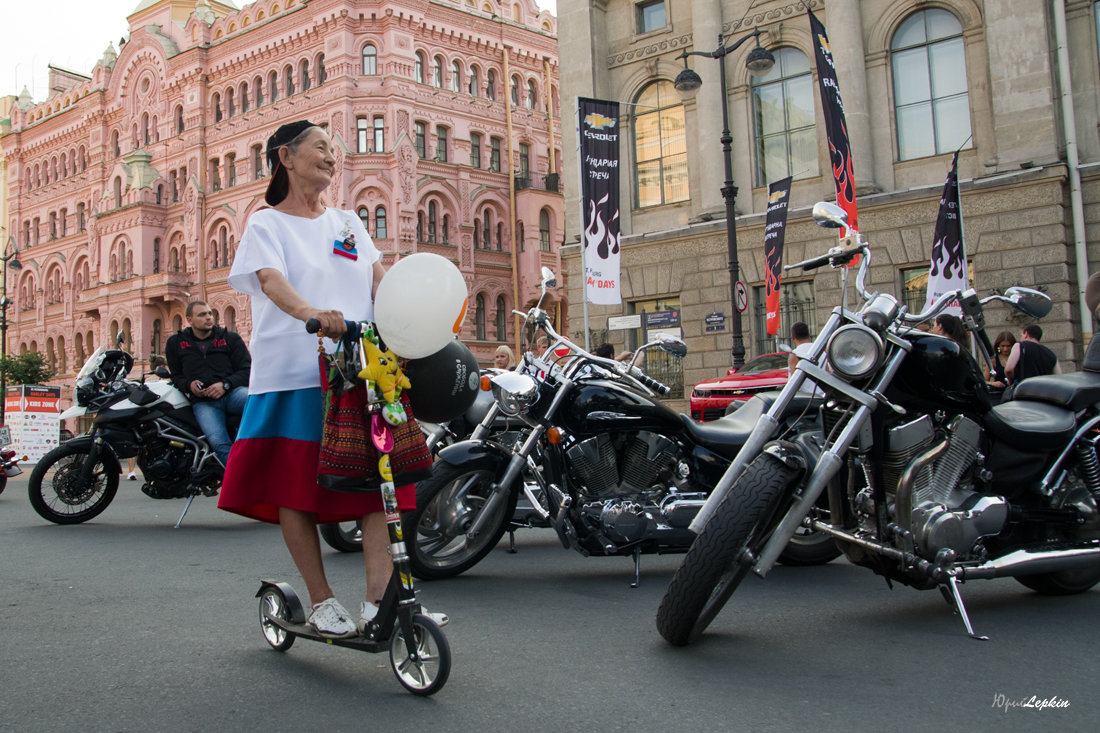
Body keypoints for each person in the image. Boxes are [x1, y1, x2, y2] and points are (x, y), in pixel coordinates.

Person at [218, 120, 444, 639]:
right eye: (319, 147)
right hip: (294, 370)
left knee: (375, 482)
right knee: (294, 489)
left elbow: (377, 278)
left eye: (332, 150)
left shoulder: (347, 222)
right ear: (285, 157)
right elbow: (271, 283)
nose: (330, 155)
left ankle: (374, 603)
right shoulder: (265, 225)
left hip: (359, 367)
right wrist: (313, 312)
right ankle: (320, 601)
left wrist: (412, 318)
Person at [165, 300, 251, 466]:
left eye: (210, 313)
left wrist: (225, 385)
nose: (208, 318)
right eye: (202, 314)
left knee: (261, 404)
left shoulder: (229, 338)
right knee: (219, 443)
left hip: (232, 393)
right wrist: (189, 385)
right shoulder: (176, 343)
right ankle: (238, 481)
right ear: (189, 320)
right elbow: (176, 376)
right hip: (204, 404)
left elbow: (247, 370)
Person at [126, 355, 170, 480]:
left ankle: (131, 471)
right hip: (159, 419)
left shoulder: (145, 380)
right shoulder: (164, 381)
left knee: (136, 445)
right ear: (162, 367)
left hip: (144, 419)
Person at [787, 322, 822, 397]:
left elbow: (794, 381)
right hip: (823, 396)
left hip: (806, 398)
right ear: (809, 334)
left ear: (793, 337)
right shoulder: (821, 351)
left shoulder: (795, 354)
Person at [984, 331, 1016, 396]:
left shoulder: (1017, 357)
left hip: (1015, 393)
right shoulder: (994, 360)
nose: (1005, 349)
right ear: (998, 346)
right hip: (999, 394)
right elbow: (984, 381)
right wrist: (993, 383)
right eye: (1003, 346)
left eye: (1008, 346)